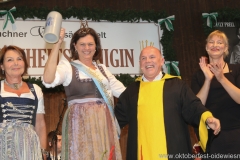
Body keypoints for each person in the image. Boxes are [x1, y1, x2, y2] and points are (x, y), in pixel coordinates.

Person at [114, 46, 221, 160]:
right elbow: (115, 119)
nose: (148, 61)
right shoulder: (132, 91)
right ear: (140, 64)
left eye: (152, 57)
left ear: (162, 61)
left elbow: (193, 106)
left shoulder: (177, 86)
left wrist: (207, 118)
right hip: (142, 154)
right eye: (143, 58)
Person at [42, 22, 126, 160]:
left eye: (90, 44)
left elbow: (124, 93)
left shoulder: (102, 69)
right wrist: (57, 44)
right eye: (82, 44)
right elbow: (48, 80)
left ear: (96, 47)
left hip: (103, 124)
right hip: (79, 124)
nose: (87, 48)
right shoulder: (68, 67)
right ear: (75, 46)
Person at [191, 30, 240, 157]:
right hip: (211, 135)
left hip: (236, 133)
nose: (215, 45)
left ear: (226, 48)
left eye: (219, 42)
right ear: (207, 48)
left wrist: (221, 78)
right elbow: (196, 106)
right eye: (211, 42)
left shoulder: (236, 70)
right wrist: (208, 79)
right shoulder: (199, 75)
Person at [0, 45, 47, 159]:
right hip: (4, 145)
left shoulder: (35, 90)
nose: (16, 63)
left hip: (30, 147)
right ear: (2, 66)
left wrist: (43, 152)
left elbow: (40, 125)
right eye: (10, 60)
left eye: (19, 59)